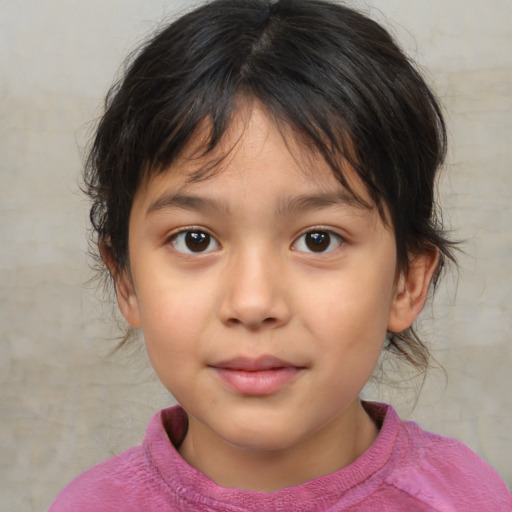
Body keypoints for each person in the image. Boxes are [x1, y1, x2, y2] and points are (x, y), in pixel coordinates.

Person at [49, 0, 511, 510]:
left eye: (318, 240)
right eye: (195, 239)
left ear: (407, 282)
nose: (252, 302)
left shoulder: (465, 499)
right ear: (127, 281)